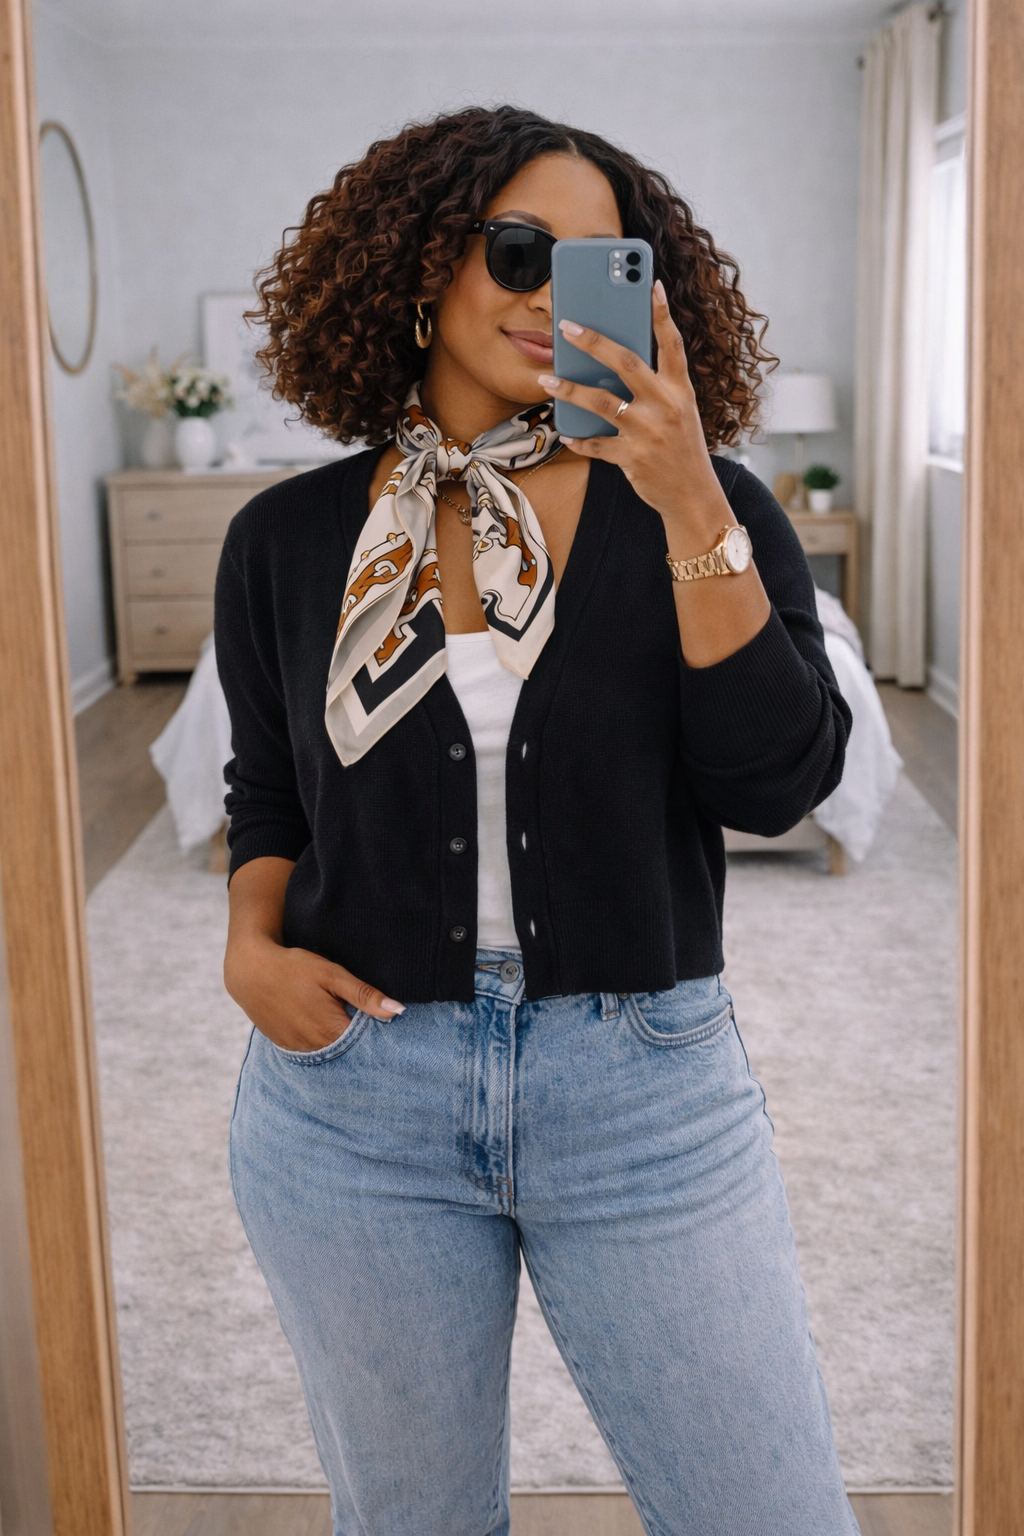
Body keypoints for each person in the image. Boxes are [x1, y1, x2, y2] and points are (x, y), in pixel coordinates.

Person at [216, 104, 860, 1536]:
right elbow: (266, 789)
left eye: (598, 265)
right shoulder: (290, 535)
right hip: (352, 1102)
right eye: (518, 251)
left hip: (645, 1089)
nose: (546, 295)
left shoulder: (704, 506)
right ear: (418, 262)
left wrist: (689, 490)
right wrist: (248, 944)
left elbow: (778, 783)